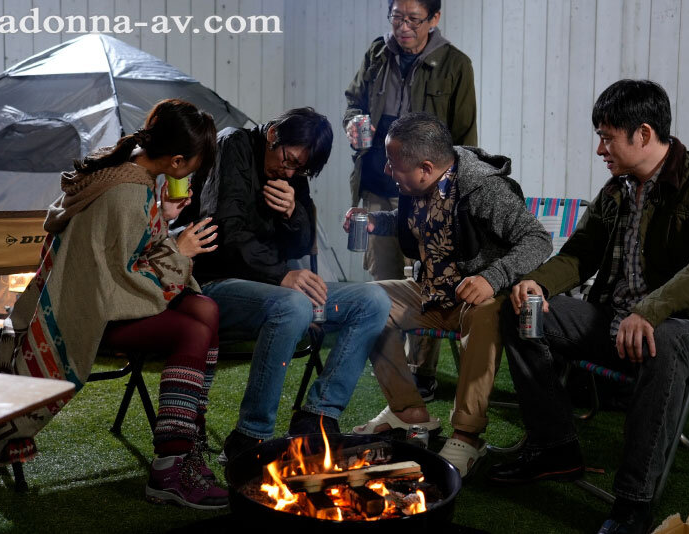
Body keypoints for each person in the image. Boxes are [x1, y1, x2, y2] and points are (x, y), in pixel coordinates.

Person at [488, 80, 689, 534]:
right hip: (615, 322)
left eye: (606, 138)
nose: (599, 149)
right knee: (520, 310)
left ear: (643, 133)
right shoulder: (616, 190)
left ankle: (633, 502)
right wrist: (536, 283)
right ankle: (554, 446)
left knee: (662, 338)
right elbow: (579, 254)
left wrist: (649, 310)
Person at [0, 99, 228, 510]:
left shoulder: (125, 168)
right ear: (176, 161)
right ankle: (169, 470)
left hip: (95, 294)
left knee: (206, 309)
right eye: (194, 165)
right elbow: (123, 277)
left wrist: (161, 214)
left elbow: (125, 247)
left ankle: (186, 441)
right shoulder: (128, 191)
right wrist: (180, 250)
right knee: (191, 330)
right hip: (89, 312)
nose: (193, 173)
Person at [175, 107, 392, 463]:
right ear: (273, 135)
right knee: (293, 305)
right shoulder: (233, 145)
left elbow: (301, 246)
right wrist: (281, 276)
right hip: (215, 284)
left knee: (373, 299)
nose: (289, 172)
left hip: (274, 289)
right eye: (288, 161)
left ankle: (317, 417)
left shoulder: (292, 171)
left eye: (300, 169)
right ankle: (250, 436)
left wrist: (293, 214)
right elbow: (224, 232)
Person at [346, 112, 552, 478]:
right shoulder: (415, 186)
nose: (389, 171)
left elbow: (538, 239)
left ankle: (467, 436)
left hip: (477, 300)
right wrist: (377, 221)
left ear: (426, 168)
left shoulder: (485, 189)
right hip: (429, 292)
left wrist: (492, 277)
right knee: (368, 303)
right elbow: (421, 224)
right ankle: (408, 411)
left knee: (487, 312)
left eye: (394, 164)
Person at [344, 0, 479, 401]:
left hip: (426, 192)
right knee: (382, 281)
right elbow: (354, 103)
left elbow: (466, 138)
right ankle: (392, 370)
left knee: (427, 279)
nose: (403, 27)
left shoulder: (456, 64)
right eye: (397, 18)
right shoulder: (377, 53)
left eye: (414, 20)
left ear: (434, 19)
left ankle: (421, 372)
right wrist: (352, 122)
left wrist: (448, 195)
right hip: (377, 182)